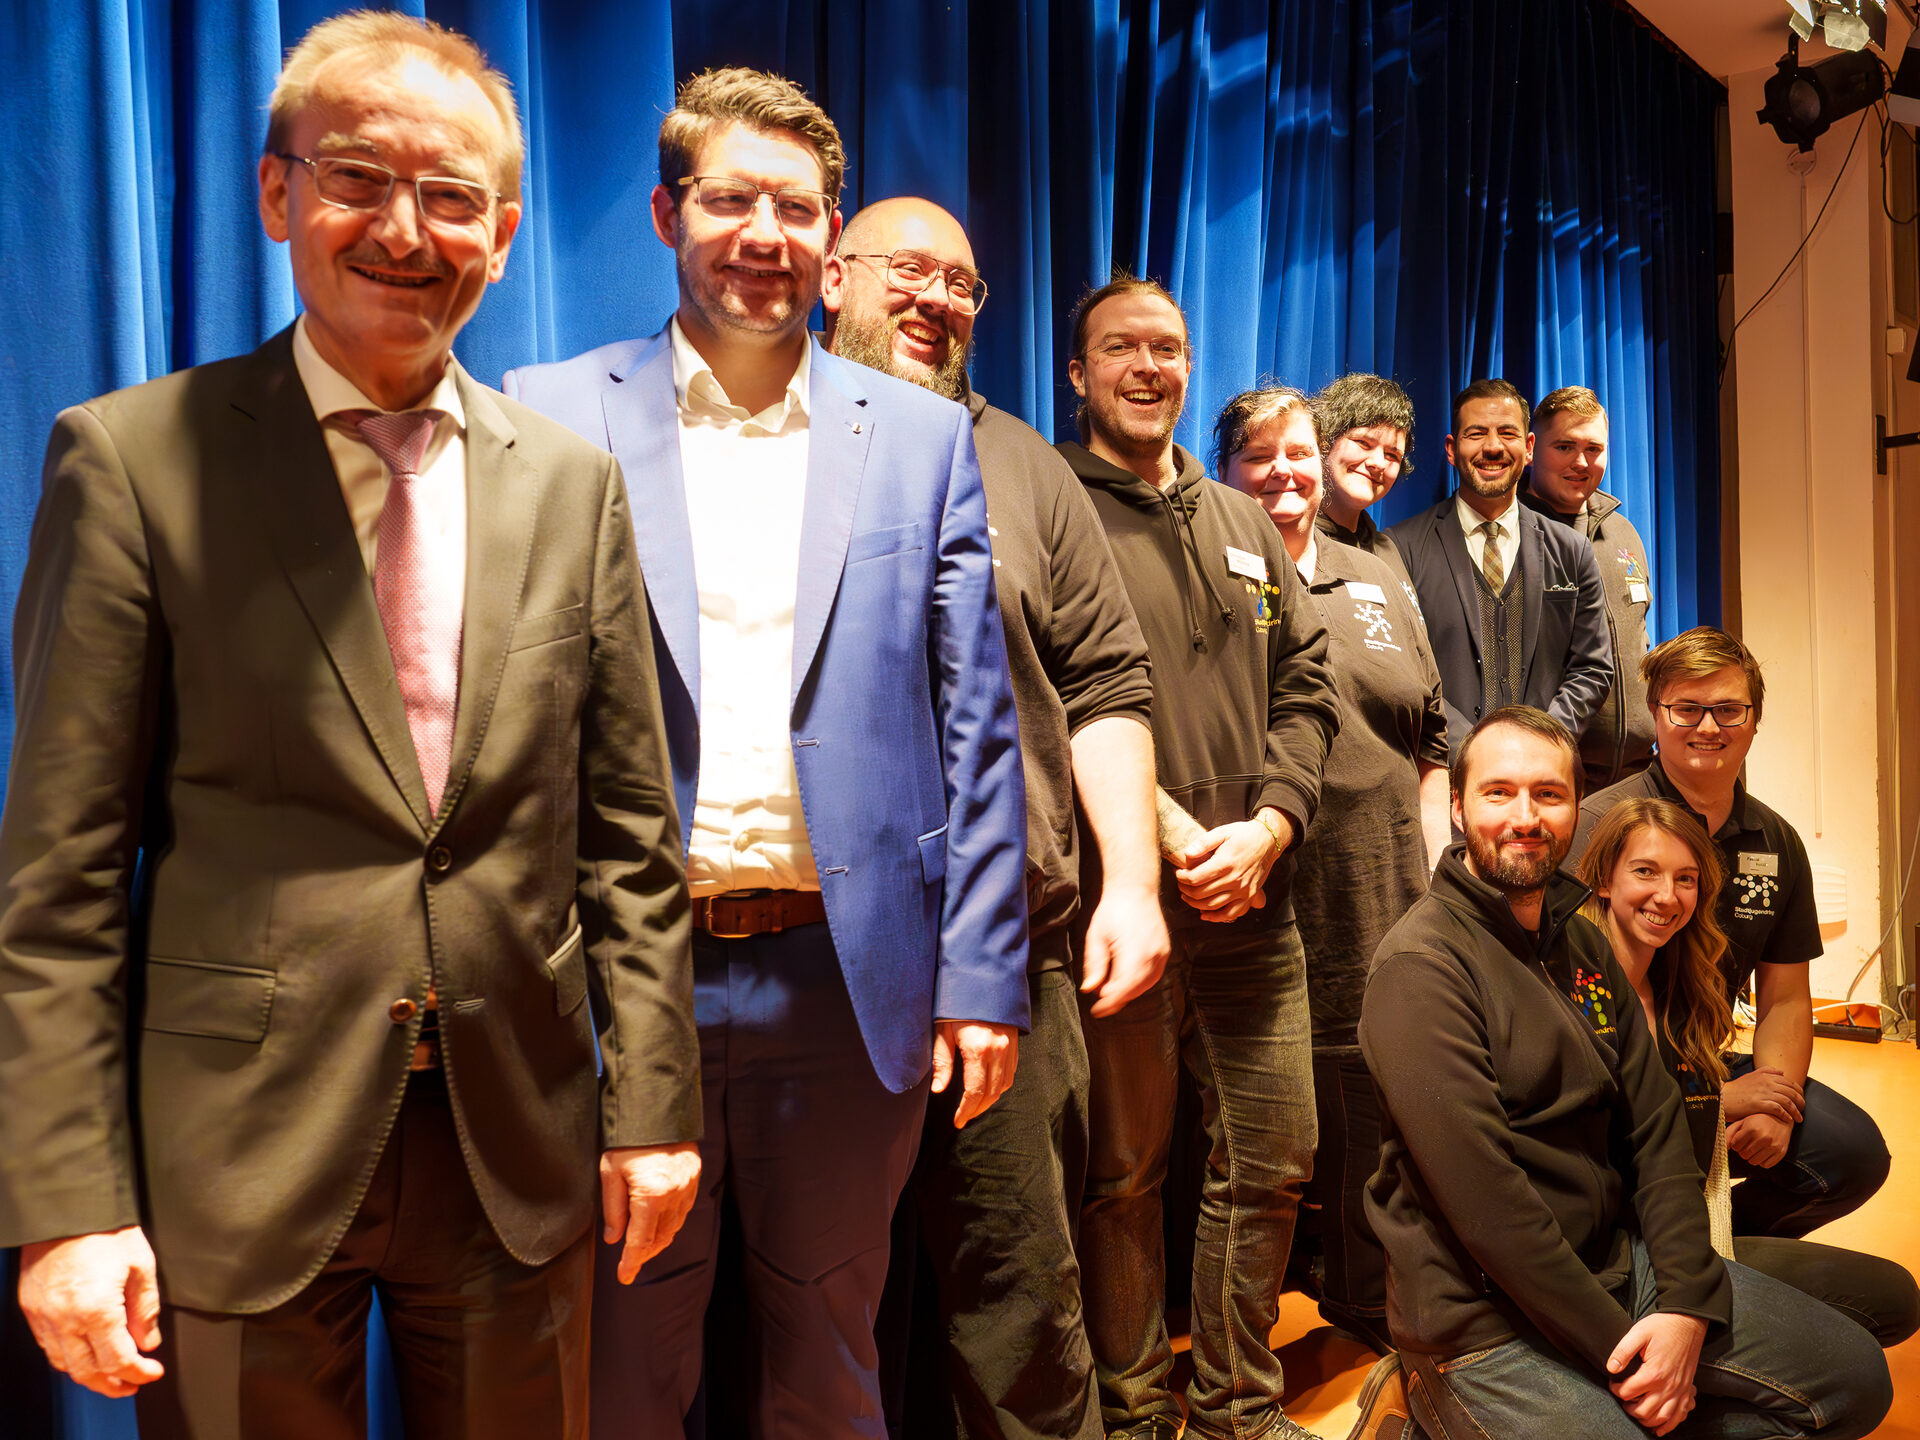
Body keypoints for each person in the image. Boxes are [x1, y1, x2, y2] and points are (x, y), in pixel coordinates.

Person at [0, 13, 698, 1436]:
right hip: (237, 1145)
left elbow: (628, 837)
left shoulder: (574, 487)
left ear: (503, 235)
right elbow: (60, 879)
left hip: (519, 1142)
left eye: (451, 197)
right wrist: (68, 1201)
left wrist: (654, 1106)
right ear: (277, 193)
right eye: (358, 178)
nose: (404, 230)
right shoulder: (133, 462)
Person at [502, 70, 1030, 1439]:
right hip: (625, 985)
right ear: (667, 213)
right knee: (619, 1368)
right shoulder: (546, 410)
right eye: (730, 199)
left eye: (794, 208)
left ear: (832, 237)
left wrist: (983, 976)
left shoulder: (920, 438)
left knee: (829, 1365)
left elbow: (977, 729)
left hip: (842, 989)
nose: (762, 234)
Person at [823, 198, 1168, 1440]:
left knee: (1022, 1306)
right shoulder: (772, 440)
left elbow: (1108, 685)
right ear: (833, 276)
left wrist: (1132, 884)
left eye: (963, 283)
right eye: (909, 270)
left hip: (1014, 963)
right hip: (811, 969)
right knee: (811, 1315)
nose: (938, 299)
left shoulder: (1027, 464)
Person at [1356, 707, 1891, 1440]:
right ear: (1457, 806)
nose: (1525, 817)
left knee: (1855, 1378)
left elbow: (1657, 1129)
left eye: (1549, 794)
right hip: (1481, 1322)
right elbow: (1491, 1212)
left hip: (1616, 1265)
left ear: (1576, 809)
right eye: (1498, 793)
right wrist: (1628, 1352)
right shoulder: (1421, 968)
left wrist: (1687, 1303)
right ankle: (1422, 1405)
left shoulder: (1579, 944)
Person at [1058, 276, 1340, 1440]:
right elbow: (1047, 694)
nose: (1149, 367)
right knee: (1124, 1177)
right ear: (1079, 374)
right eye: (1121, 348)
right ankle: (1135, 1416)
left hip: (1256, 902)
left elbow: (1308, 687)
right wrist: (1174, 841)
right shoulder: (1051, 504)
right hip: (1119, 911)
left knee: (1275, 1157)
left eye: (1168, 348)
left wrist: (1270, 826)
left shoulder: (1239, 518)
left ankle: (1236, 1408)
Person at [1214, 385, 1447, 1356]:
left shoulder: (1376, 575)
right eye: (1260, 456)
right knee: (1257, 1121)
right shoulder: (1208, 568)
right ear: (1225, 472)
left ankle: (1358, 1290)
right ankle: (1229, 1333)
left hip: (1384, 878)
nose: (1286, 473)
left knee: (1369, 1090)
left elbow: (1432, 737)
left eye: (1300, 454)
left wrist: (1436, 870)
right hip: (1259, 883)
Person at [1572, 628, 1889, 1239]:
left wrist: (1776, 1103)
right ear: (1656, 715)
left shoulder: (1776, 842)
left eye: (1728, 710)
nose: (1708, 727)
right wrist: (1713, 1105)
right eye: (1686, 709)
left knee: (1851, 1154)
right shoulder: (1597, 826)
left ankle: (1722, 1250)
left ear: (1754, 720)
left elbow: (1786, 998)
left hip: (1703, 1057)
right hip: (1607, 1075)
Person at [1576, 799, 1918, 1348]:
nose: (1667, 895)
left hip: (1684, 1221)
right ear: (1603, 882)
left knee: (1894, 1294)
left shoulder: (1677, 983)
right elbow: (1599, 1132)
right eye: (1645, 871)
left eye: (1685, 879)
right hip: (1614, 1244)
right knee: (1863, 1340)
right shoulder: (1579, 984)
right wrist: (1725, 1101)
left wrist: (1749, 1103)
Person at [1387, 379, 1612, 763]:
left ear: (1528, 447)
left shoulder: (1572, 551)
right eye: (1476, 434)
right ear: (1451, 449)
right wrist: (1473, 754)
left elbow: (1592, 667)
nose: (1492, 447)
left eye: (1507, 433)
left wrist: (1542, 745)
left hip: (1544, 769)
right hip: (1442, 770)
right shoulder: (1401, 549)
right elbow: (1405, 672)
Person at [1521, 387, 1654, 790]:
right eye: (1564, 446)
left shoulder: (1622, 531)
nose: (1581, 462)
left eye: (1593, 449)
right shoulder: (1511, 536)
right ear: (1531, 449)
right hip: (1555, 774)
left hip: (1638, 774)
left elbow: (1639, 638)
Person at [1311, 372, 1419, 606]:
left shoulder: (1389, 551)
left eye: (1392, 455)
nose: (1378, 463)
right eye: (1363, 443)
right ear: (1325, 441)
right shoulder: (1296, 541)